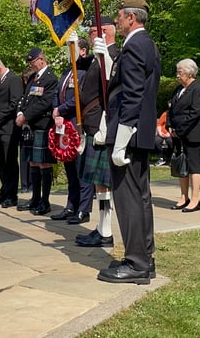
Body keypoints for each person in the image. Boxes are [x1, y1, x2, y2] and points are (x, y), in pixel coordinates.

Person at [98, 0, 160, 285]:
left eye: (120, 16)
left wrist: (121, 139)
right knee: (141, 198)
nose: (117, 21)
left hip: (129, 135)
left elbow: (132, 94)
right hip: (137, 134)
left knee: (129, 201)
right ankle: (144, 258)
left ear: (131, 18)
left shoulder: (135, 45)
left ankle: (136, 263)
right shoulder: (145, 44)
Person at [74, 16, 121, 248]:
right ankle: (101, 228)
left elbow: (112, 88)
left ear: (105, 32)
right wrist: (72, 48)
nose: (90, 35)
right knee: (99, 184)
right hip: (92, 124)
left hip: (101, 125)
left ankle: (106, 231)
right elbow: (78, 67)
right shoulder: (97, 56)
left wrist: (105, 58)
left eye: (93, 31)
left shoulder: (112, 55)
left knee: (104, 183)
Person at [50, 35, 90, 222]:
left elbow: (79, 99)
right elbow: (57, 94)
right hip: (63, 125)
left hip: (77, 124)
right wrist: (56, 112)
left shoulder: (85, 72)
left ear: (83, 51)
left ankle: (83, 209)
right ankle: (71, 205)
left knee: (81, 168)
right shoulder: (67, 71)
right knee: (69, 168)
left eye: (72, 49)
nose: (69, 53)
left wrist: (61, 109)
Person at [15, 47, 58, 215]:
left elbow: (45, 103)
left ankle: (45, 201)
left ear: (41, 59)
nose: (31, 65)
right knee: (32, 161)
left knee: (43, 162)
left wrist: (25, 116)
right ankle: (35, 198)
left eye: (33, 62)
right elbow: (25, 98)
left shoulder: (50, 78)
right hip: (30, 126)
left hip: (42, 124)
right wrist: (20, 112)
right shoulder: (33, 78)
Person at [167, 59, 200, 213]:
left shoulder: (199, 90)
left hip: (192, 134)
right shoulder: (178, 89)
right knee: (181, 166)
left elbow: (195, 113)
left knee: (194, 167)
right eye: (177, 72)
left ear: (190, 72)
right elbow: (171, 110)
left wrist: (180, 129)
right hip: (178, 135)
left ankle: (195, 199)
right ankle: (183, 197)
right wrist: (170, 126)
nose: (178, 75)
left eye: (180, 72)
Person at [0, 57, 23, 208]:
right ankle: (4, 191)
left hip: (9, 128)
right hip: (0, 128)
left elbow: (15, 103)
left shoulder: (13, 80)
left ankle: (11, 195)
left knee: (10, 162)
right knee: (1, 163)